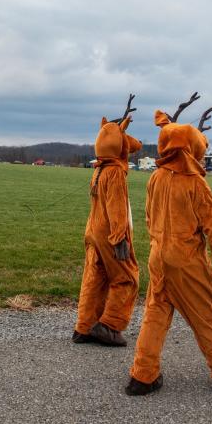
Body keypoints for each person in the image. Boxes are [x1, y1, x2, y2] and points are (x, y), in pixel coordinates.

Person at [127, 94, 212, 395]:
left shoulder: (155, 178)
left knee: (155, 314)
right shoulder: (195, 183)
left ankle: (143, 375)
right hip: (186, 262)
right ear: (191, 148)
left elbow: (148, 216)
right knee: (206, 315)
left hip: (158, 257)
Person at [73, 95, 142, 346]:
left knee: (95, 278)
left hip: (93, 232)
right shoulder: (114, 173)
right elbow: (117, 209)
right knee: (127, 277)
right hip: (110, 234)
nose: (131, 145)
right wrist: (119, 238)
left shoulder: (98, 169)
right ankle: (110, 325)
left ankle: (84, 326)